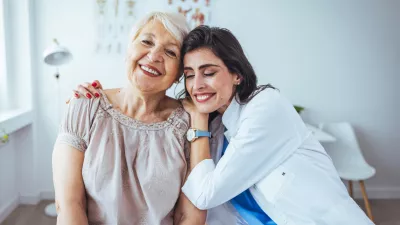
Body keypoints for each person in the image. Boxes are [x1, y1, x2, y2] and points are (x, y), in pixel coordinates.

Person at [74, 26, 375, 224]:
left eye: (209, 72)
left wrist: (199, 121)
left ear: (237, 75)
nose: (197, 85)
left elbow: (206, 193)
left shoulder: (265, 107)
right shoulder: (218, 129)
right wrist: (97, 95)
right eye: (189, 74)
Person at [52, 12, 206, 225]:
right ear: (129, 49)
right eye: (146, 41)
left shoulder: (188, 125)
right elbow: (69, 204)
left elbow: (190, 215)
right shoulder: (85, 105)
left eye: (170, 52)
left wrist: (199, 115)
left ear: (180, 73)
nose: (154, 56)